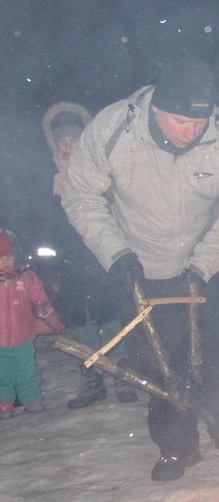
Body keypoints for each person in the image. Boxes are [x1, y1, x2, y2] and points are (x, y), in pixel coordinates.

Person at [61, 57, 219, 489]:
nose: (191, 133)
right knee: (157, 367)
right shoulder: (113, 129)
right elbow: (81, 196)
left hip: (207, 265)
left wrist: (205, 263)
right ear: (155, 108)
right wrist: (116, 255)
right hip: (138, 265)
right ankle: (177, 447)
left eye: (199, 122)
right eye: (179, 121)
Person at [43, 102, 138, 408]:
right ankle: (92, 382)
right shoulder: (50, 185)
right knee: (81, 328)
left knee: (113, 321)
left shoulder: (102, 176)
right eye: (63, 143)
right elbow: (44, 232)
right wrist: (50, 268)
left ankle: (123, 376)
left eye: (74, 141)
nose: (69, 148)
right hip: (69, 271)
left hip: (102, 265)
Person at [0, 230, 58, 418]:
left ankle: (31, 398)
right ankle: (4, 402)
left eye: (8, 257)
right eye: (0, 258)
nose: (5, 262)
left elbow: (38, 295)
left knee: (27, 368)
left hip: (23, 334)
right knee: (3, 371)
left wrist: (43, 307)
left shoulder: (26, 277)